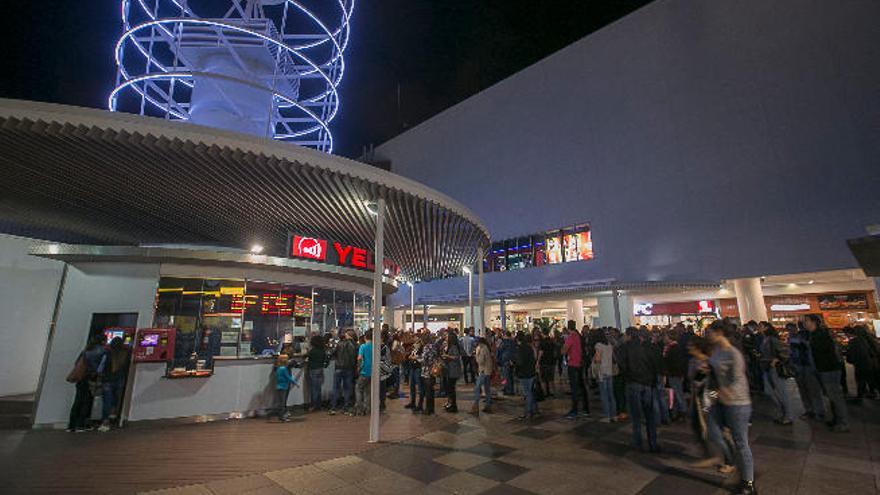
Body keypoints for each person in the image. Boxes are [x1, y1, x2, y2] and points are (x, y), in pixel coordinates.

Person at [706, 321, 756, 495]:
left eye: (710, 332)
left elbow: (737, 379)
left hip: (737, 403)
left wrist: (723, 393)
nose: (708, 335)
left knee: (741, 442)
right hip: (719, 401)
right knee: (712, 431)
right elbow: (713, 376)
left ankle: (748, 483)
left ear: (720, 332)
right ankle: (731, 460)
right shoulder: (716, 351)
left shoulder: (733, 353)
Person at [618, 327, 660, 452]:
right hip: (647, 383)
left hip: (633, 383)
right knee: (649, 416)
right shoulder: (650, 347)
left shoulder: (627, 347)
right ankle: (653, 443)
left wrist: (627, 374)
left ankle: (638, 443)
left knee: (636, 417)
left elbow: (621, 362)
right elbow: (655, 364)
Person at [805, 314, 849, 432]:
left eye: (807, 321)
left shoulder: (821, 334)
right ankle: (837, 419)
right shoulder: (814, 334)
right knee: (831, 395)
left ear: (814, 322)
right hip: (823, 369)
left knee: (835, 395)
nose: (805, 323)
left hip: (829, 369)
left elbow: (823, 352)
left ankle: (843, 422)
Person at [67, 335, 107, 432]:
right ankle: (81, 425)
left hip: (81, 377)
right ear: (102, 341)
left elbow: (77, 363)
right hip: (91, 377)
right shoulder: (103, 351)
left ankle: (71, 425)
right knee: (87, 401)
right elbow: (101, 367)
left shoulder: (86, 350)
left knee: (78, 400)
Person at [787, 322, 825, 420]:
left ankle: (818, 411)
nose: (791, 331)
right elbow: (791, 352)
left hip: (808, 365)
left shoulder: (807, 336)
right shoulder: (792, 338)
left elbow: (809, 347)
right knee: (803, 389)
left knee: (812, 389)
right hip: (798, 365)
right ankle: (810, 410)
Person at [98, 337, 130, 432]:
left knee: (107, 400)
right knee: (116, 398)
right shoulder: (125, 354)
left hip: (107, 379)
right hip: (119, 379)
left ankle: (105, 421)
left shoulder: (107, 354)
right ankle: (114, 415)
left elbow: (100, 368)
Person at [561, 320, 589, 419]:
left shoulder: (571, 337)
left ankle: (574, 410)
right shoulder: (578, 336)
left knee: (574, 388)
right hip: (580, 363)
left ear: (568, 328)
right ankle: (586, 409)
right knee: (581, 386)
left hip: (573, 364)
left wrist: (563, 349)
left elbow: (563, 350)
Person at [846, 325, 880, 399]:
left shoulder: (855, 341)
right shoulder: (871, 339)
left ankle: (861, 396)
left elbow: (852, 355)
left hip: (861, 364)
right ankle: (871, 393)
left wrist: (851, 359)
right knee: (872, 380)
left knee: (861, 380)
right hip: (873, 363)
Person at [662, 330, 688, 421]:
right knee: (676, 394)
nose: (664, 339)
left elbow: (674, 363)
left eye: (665, 337)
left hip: (674, 374)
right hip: (675, 374)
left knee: (677, 394)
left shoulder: (673, 348)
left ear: (669, 338)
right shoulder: (673, 347)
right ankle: (679, 412)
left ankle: (682, 412)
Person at [329, 331, 356, 415]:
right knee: (347, 389)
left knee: (336, 388)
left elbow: (332, 353)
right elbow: (353, 357)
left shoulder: (339, 344)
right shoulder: (353, 345)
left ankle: (333, 407)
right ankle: (346, 407)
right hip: (348, 369)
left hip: (338, 368)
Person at [514, 332, 538, 420]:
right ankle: (534, 409)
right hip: (531, 372)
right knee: (530, 391)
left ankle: (528, 411)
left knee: (527, 392)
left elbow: (520, 362)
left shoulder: (520, 349)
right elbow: (533, 359)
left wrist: (514, 363)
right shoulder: (530, 348)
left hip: (523, 373)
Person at [593, 332, 616, 423]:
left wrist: (595, 362)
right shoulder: (609, 345)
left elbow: (598, 359)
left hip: (602, 372)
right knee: (611, 394)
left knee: (604, 395)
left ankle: (607, 416)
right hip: (609, 371)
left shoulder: (598, 345)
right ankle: (613, 415)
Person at [471, 336, 494, 414]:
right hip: (488, 370)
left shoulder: (481, 349)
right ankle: (488, 405)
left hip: (483, 371)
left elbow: (480, 361)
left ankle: (475, 406)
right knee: (487, 388)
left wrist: (476, 356)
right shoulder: (486, 348)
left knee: (477, 388)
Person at [306, 335, 328, 412]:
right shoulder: (322, 350)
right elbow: (326, 359)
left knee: (313, 388)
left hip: (313, 370)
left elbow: (306, 357)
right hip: (320, 369)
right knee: (318, 388)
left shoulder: (312, 351)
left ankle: (313, 405)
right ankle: (318, 405)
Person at [442, 331, 463, 413]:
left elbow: (456, 357)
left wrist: (447, 356)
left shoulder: (453, 347)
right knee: (450, 388)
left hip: (453, 370)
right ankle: (451, 404)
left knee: (451, 388)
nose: (446, 338)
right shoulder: (449, 346)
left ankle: (453, 406)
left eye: (447, 337)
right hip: (450, 369)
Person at [418, 333, 438, 415]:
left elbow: (424, 359)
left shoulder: (426, 347)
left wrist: (416, 358)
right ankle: (431, 408)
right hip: (432, 371)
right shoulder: (433, 346)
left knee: (428, 391)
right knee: (431, 391)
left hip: (427, 372)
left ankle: (428, 409)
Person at [355, 332, 373, 416]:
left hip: (364, 371)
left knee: (358, 389)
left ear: (365, 337)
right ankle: (367, 409)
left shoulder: (363, 346)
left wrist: (358, 368)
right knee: (368, 391)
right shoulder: (375, 347)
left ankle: (359, 409)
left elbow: (360, 358)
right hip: (372, 372)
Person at [538, 329, 556, 397]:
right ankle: (553, 392)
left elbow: (541, 353)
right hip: (551, 362)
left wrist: (537, 362)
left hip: (544, 362)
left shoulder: (542, 342)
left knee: (543, 379)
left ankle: (545, 392)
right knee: (551, 378)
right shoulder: (552, 341)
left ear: (543, 333)